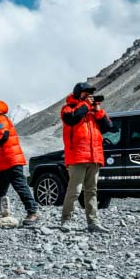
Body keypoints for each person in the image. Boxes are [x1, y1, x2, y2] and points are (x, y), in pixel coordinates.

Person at [0, 100, 39, 226]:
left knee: (20, 187)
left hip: (10, 160)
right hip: (2, 163)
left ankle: (33, 212)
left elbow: (2, 137)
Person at [60, 82, 111, 233]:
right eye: (86, 93)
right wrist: (85, 105)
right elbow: (72, 119)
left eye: (90, 94)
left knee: (92, 191)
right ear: (78, 94)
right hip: (77, 157)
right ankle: (66, 220)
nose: (89, 96)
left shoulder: (92, 111)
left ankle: (93, 222)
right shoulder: (68, 108)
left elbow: (108, 127)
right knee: (74, 191)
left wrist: (98, 111)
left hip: (94, 157)